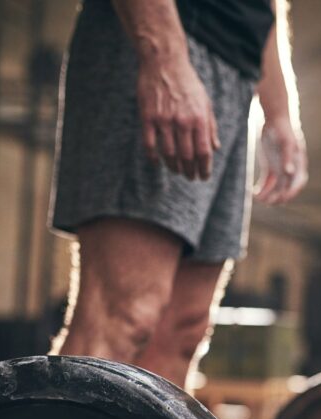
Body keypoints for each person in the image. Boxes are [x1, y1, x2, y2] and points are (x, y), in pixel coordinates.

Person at [49, 0, 307, 390]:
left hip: (238, 73)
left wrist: (280, 109)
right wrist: (164, 59)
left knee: (183, 329)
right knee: (122, 317)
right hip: (166, 35)